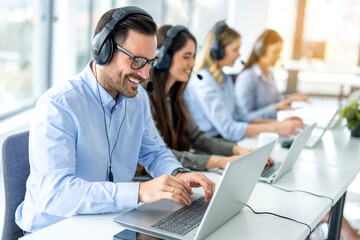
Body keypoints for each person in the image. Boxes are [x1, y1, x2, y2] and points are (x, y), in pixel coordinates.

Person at [15, 6, 215, 233]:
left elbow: (154, 152)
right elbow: (57, 194)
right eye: (137, 61)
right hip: (56, 228)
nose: (144, 75)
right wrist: (139, 192)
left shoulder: (137, 98)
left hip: (108, 220)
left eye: (150, 62)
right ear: (104, 50)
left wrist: (178, 175)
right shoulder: (58, 106)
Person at [144, 24, 257, 172]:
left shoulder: (175, 96)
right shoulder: (144, 97)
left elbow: (197, 138)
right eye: (186, 57)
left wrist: (239, 150)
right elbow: (158, 155)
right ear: (163, 58)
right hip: (155, 179)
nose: (192, 64)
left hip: (177, 174)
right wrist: (220, 161)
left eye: (193, 57)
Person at [183, 21, 304, 142]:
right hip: (211, 146)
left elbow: (242, 117)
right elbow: (229, 130)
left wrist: (281, 123)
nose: (239, 54)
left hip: (227, 141)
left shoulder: (224, 78)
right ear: (218, 50)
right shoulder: (203, 82)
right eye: (235, 49)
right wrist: (276, 127)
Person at [235, 29, 308, 119]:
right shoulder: (247, 78)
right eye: (275, 52)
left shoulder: (269, 73)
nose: (278, 56)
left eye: (280, 52)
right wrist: (276, 108)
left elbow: (276, 102)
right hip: (258, 132)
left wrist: (290, 100)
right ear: (261, 50)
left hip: (271, 130)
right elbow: (244, 117)